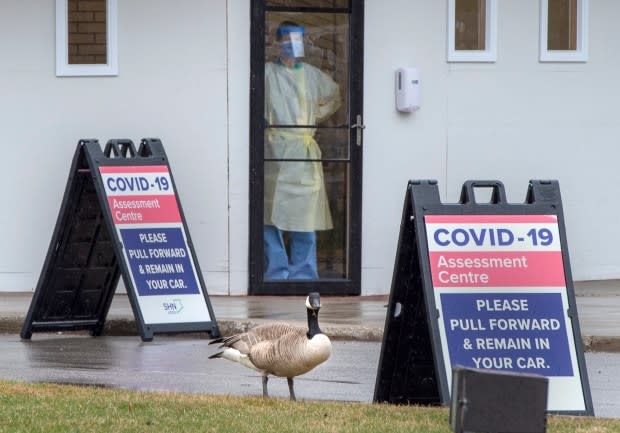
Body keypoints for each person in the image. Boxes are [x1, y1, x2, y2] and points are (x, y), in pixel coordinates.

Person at [263, 20, 341, 280]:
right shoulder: (266, 73)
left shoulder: (310, 74)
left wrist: (313, 118)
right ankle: (276, 272)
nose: (292, 45)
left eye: (297, 40)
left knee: (305, 217)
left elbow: (334, 95)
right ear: (277, 43)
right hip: (275, 152)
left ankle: (303, 274)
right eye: (287, 40)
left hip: (304, 152)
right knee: (270, 216)